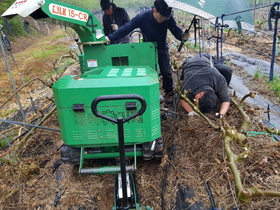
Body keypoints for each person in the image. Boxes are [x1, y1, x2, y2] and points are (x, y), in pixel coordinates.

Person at [106, 0, 186, 103]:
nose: (163, 19)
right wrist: (110, 37)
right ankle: (150, 93)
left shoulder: (168, 18)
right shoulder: (142, 17)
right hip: (147, 48)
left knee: (166, 72)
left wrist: (182, 36)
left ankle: (169, 93)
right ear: (155, 10)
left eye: (165, 17)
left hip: (162, 47)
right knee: (149, 72)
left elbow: (175, 29)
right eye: (161, 17)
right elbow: (127, 28)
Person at [180, 53, 232, 117]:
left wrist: (221, 114)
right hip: (192, 61)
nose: (195, 102)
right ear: (200, 94)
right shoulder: (189, 85)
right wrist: (191, 111)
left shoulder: (219, 80)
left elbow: (226, 100)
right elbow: (182, 99)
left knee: (226, 69)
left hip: (207, 62)